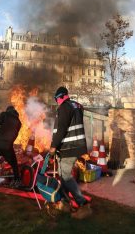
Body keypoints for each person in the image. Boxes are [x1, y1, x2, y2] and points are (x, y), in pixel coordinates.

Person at [49, 86, 92, 219]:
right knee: (63, 176)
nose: (56, 102)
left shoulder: (64, 107)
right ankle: (64, 203)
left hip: (69, 147)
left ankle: (83, 204)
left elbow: (62, 128)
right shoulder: (76, 106)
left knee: (66, 176)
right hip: (74, 146)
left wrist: (53, 146)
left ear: (61, 96)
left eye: (56, 99)